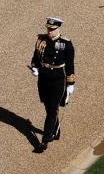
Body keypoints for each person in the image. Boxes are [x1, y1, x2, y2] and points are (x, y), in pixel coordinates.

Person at [29, 16, 75, 153]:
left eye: (52, 29)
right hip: (43, 79)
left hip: (57, 79)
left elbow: (70, 65)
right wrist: (35, 68)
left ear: (58, 29)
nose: (49, 31)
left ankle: (44, 141)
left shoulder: (66, 44)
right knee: (49, 108)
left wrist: (70, 83)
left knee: (51, 110)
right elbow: (35, 57)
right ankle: (56, 130)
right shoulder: (41, 40)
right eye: (48, 29)